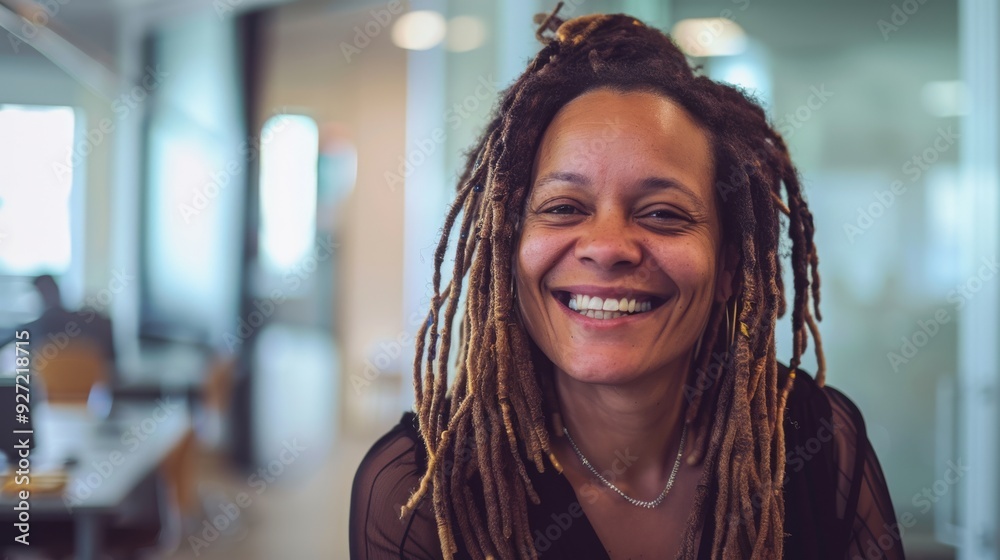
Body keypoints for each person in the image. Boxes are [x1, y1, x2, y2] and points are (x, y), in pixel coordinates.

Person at [350, 7, 904, 560]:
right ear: (506, 251)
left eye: (663, 214)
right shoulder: (418, 490)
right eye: (564, 207)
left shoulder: (816, 440)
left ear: (730, 267)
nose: (608, 247)